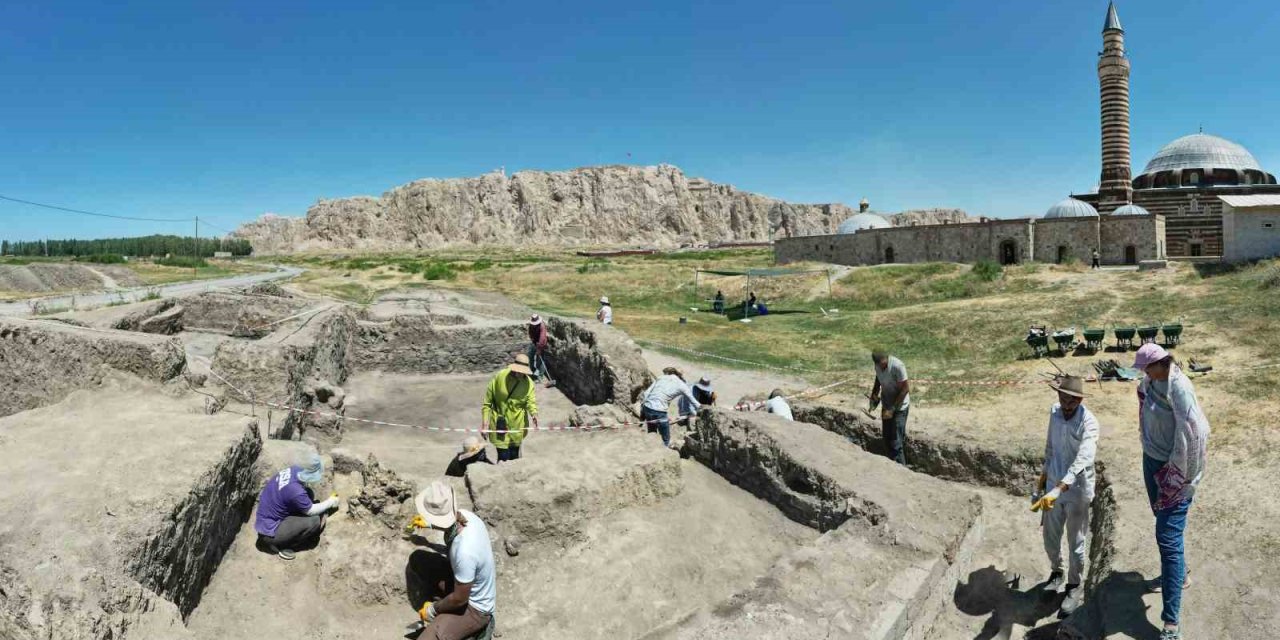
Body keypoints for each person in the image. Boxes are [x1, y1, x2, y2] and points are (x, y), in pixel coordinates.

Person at [1133, 343, 1210, 640]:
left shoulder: (1180, 389)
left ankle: (1171, 624)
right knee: (1161, 522)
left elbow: (1197, 432)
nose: (1144, 373)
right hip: (1151, 462)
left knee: (1167, 538)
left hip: (1175, 473)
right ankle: (1180, 576)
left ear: (1162, 364)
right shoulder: (1150, 382)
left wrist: (1179, 474)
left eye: (1147, 367)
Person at [1031, 375, 1100, 618]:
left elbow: (1084, 459)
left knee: (1077, 543)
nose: (1066, 404)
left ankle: (1074, 585)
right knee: (1050, 537)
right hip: (1052, 487)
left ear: (1080, 399)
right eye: (1063, 398)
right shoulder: (1055, 413)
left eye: (1072, 401)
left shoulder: (1089, 423)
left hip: (1077, 490)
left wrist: (1060, 487)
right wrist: (1042, 481)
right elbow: (1050, 448)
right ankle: (1057, 572)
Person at [410, 481, 496, 640]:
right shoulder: (466, 516)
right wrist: (430, 524)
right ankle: (445, 611)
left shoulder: (464, 551)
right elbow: (450, 523)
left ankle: (475, 631)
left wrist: (433, 610)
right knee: (419, 560)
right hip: (463, 583)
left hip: (475, 609)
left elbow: (460, 599)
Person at [254, 453, 339, 560]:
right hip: (270, 533)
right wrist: (330, 502)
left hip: (266, 521)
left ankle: (287, 531)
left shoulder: (294, 470)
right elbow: (311, 511)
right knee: (314, 521)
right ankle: (282, 546)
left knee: (308, 493)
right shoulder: (295, 491)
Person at [481, 354, 538, 462]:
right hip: (499, 424)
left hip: (517, 425)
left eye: (523, 371)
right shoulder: (500, 376)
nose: (520, 373)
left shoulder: (528, 383)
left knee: (514, 457)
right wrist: (484, 425)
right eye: (518, 370)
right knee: (503, 458)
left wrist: (534, 413)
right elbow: (487, 404)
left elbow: (531, 401)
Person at [640, 367, 700, 448]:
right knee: (666, 438)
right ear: (681, 376)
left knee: (652, 432)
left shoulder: (661, 377)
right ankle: (664, 454)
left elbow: (646, 393)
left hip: (647, 408)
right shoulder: (681, 385)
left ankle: (651, 449)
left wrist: (644, 409)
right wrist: (701, 410)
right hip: (660, 412)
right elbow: (693, 401)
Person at [869, 351, 911, 465]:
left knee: (896, 442)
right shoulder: (878, 365)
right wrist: (874, 395)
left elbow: (905, 389)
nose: (881, 366)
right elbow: (878, 379)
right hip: (887, 405)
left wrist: (893, 409)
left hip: (899, 407)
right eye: (878, 364)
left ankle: (902, 471)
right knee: (887, 439)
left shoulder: (897, 366)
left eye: (883, 363)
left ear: (887, 358)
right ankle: (891, 467)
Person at [526, 314, 553, 386]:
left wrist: (539, 349)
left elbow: (542, 339)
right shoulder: (531, 325)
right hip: (534, 342)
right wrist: (532, 338)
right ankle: (531, 370)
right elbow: (530, 332)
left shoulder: (542, 326)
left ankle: (540, 376)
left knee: (540, 360)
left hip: (542, 344)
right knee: (530, 356)